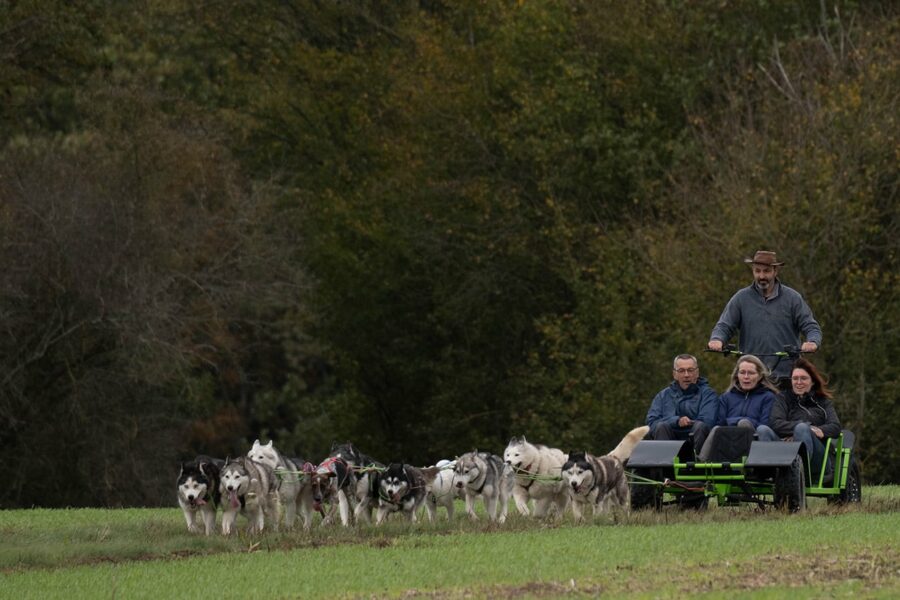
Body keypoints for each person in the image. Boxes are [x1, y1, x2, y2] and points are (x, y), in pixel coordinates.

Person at [707, 250, 822, 386]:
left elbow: (810, 326)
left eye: (766, 271)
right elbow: (724, 326)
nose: (762, 276)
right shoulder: (741, 298)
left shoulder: (793, 298)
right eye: (757, 271)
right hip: (751, 378)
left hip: (786, 378)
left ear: (775, 271)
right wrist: (717, 339)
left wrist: (812, 342)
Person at [761, 358, 841, 481]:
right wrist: (801, 429)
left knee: (802, 428)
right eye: (795, 378)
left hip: (817, 458)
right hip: (785, 450)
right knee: (763, 429)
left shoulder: (823, 402)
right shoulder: (783, 398)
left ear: (812, 381)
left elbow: (835, 426)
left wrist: (809, 431)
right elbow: (776, 423)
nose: (798, 382)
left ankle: (799, 474)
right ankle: (769, 473)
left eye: (803, 378)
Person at [698, 355, 780, 461]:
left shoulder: (768, 397)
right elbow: (720, 422)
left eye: (751, 373)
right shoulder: (726, 397)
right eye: (742, 372)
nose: (746, 377)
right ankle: (702, 461)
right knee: (716, 428)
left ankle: (747, 464)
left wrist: (740, 421)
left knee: (744, 423)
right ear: (737, 375)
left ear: (759, 376)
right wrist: (737, 421)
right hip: (729, 439)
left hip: (756, 441)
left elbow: (765, 425)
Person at [646, 354, 718, 456]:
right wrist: (676, 421)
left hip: (698, 444)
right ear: (674, 374)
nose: (686, 375)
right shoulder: (662, 396)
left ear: (697, 372)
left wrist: (688, 422)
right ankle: (663, 468)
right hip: (667, 446)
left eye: (690, 370)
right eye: (681, 371)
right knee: (661, 426)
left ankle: (694, 466)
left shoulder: (709, 395)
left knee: (701, 426)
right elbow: (651, 424)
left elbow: (708, 422)